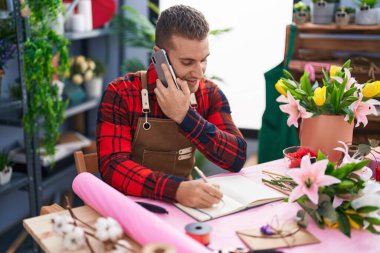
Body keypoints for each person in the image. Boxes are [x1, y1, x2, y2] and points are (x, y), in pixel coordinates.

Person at [97, 4, 247, 208]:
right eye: (187, 62)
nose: (199, 73)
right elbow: (112, 167)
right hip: (129, 209)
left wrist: (186, 117)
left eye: (203, 60)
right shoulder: (121, 93)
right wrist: (175, 190)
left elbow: (236, 158)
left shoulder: (209, 93)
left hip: (185, 208)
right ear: (160, 56)